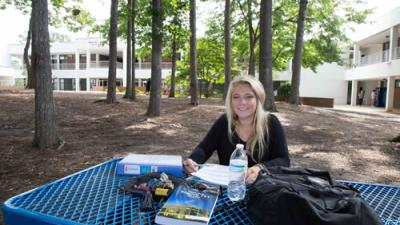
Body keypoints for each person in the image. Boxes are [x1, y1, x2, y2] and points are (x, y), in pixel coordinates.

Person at [183, 75, 290, 184]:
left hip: (263, 191)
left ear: (258, 99)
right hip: (229, 189)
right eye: (236, 97)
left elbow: (283, 160)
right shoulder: (225, 122)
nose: (242, 102)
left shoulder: (271, 122)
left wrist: (260, 168)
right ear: (230, 100)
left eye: (249, 96)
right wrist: (193, 161)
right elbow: (205, 148)